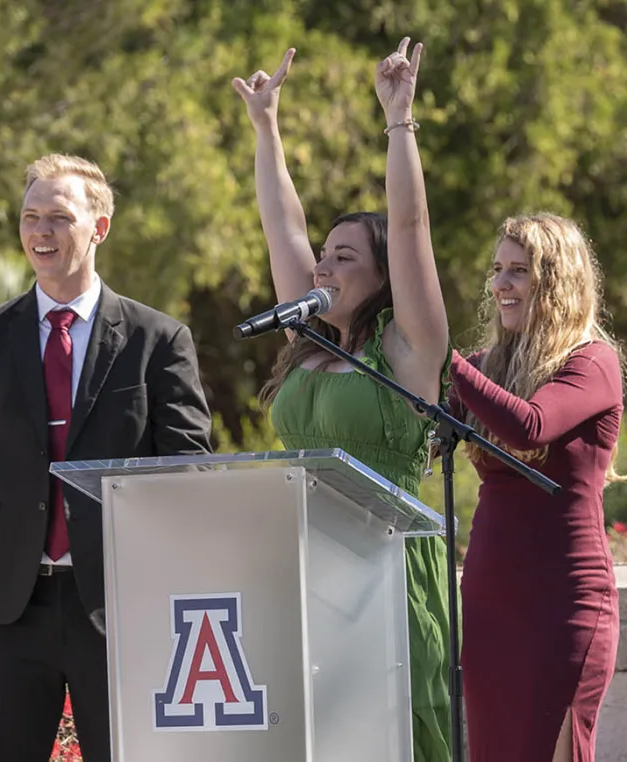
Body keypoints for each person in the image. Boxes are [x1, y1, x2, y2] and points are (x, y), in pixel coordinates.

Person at [0, 153, 213, 761]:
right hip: (8, 605)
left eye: (59, 218)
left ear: (100, 227)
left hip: (118, 604)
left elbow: (188, 471)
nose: (40, 231)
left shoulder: (157, 340)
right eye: (30, 216)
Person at [234, 39, 453, 760]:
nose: (322, 266)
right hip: (305, 566)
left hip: (384, 567)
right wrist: (267, 128)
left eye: (344, 258)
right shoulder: (311, 346)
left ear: (384, 276)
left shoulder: (406, 349)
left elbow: (413, 229)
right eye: (323, 256)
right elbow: (284, 227)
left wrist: (399, 120)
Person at [450, 213, 622, 761]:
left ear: (556, 281)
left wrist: (444, 362)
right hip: (489, 602)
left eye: (519, 270)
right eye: (497, 269)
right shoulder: (483, 368)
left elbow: (530, 425)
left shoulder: (594, 363)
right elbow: (426, 436)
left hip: (563, 604)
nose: (500, 284)